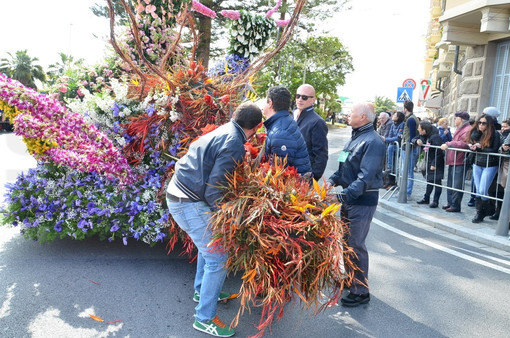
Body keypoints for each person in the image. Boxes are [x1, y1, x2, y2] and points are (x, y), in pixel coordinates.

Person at [166, 102, 263, 337]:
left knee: (209, 247)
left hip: (181, 193)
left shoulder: (224, 130)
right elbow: (214, 191)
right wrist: (229, 218)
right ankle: (204, 318)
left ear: (235, 116)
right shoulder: (234, 144)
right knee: (219, 257)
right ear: (257, 127)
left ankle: (201, 290)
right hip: (188, 201)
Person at [326, 102, 385, 307]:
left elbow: (365, 178)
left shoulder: (373, 141)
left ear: (363, 117)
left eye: (351, 113)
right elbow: (344, 166)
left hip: (362, 200)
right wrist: (332, 181)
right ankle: (351, 281)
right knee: (347, 242)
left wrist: (342, 197)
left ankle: (361, 291)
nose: (347, 115)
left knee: (356, 244)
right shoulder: (356, 136)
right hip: (351, 199)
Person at [264, 85, 312, 175]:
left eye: (266, 102)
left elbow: (278, 174)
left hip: (295, 186)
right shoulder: (282, 123)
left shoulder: (281, 132)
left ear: (270, 103)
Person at [466, 113, 502, 223]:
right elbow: (470, 141)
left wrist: (480, 148)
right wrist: (473, 146)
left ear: (489, 124)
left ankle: (484, 210)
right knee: (478, 190)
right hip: (477, 163)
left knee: (482, 189)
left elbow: (495, 150)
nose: (481, 125)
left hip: (490, 164)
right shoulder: (477, 133)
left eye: (484, 123)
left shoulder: (495, 134)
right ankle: (480, 211)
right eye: (479, 123)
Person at [293, 84, 328, 181]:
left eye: (304, 97)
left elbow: (321, 154)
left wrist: (313, 177)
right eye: (298, 96)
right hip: (288, 173)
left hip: (303, 176)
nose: (300, 99)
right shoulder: (291, 116)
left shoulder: (317, 122)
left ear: (313, 100)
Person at [440, 112, 471, 212]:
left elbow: (464, 144)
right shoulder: (460, 128)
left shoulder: (467, 129)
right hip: (454, 159)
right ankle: (450, 203)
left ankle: (455, 205)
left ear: (460, 119)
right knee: (450, 183)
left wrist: (449, 144)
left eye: (455, 118)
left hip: (460, 160)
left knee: (457, 184)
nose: (454, 120)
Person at [412, 121, 445, 208]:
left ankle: (435, 201)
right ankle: (426, 198)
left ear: (424, 130)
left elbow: (439, 152)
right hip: (428, 161)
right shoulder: (423, 135)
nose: (418, 129)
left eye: (419, 128)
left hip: (436, 163)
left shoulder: (435, 137)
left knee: (437, 182)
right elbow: (413, 139)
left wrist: (434, 164)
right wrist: (417, 140)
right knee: (430, 181)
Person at [490, 118, 510, 220]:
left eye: (505, 126)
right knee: (499, 190)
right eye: (502, 126)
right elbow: (498, 149)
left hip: (506, 165)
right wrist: (503, 148)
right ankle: (498, 212)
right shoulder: (499, 135)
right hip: (500, 165)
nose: (503, 128)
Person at [401, 100, 419, 199]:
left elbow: (412, 135)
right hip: (408, 147)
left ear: (405, 108)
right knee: (407, 170)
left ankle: (407, 192)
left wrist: (410, 145)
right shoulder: (411, 118)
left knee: (408, 171)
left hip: (409, 148)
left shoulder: (411, 119)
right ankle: (405, 191)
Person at [382, 111, 405, 189]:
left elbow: (398, 138)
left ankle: (392, 183)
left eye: (395, 115)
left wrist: (386, 139)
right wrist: (388, 139)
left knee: (394, 165)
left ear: (398, 117)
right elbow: (390, 135)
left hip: (396, 147)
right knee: (390, 164)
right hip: (391, 146)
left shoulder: (402, 124)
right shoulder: (393, 125)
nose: (393, 116)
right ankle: (389, 181)